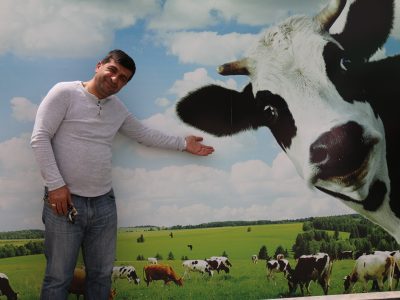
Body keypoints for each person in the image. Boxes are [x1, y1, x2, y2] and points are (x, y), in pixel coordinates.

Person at [31, 49, 214, 300]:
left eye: (124, 78)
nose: (116, 79)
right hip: (65, 203)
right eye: (112, 70)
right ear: (99, 66)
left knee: (101, 277)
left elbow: (143, 134)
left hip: (104, 203)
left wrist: (183, 144)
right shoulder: (64, 92)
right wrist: (56, 186)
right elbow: (40, 138)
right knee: (58, 277)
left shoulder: (116, 108)